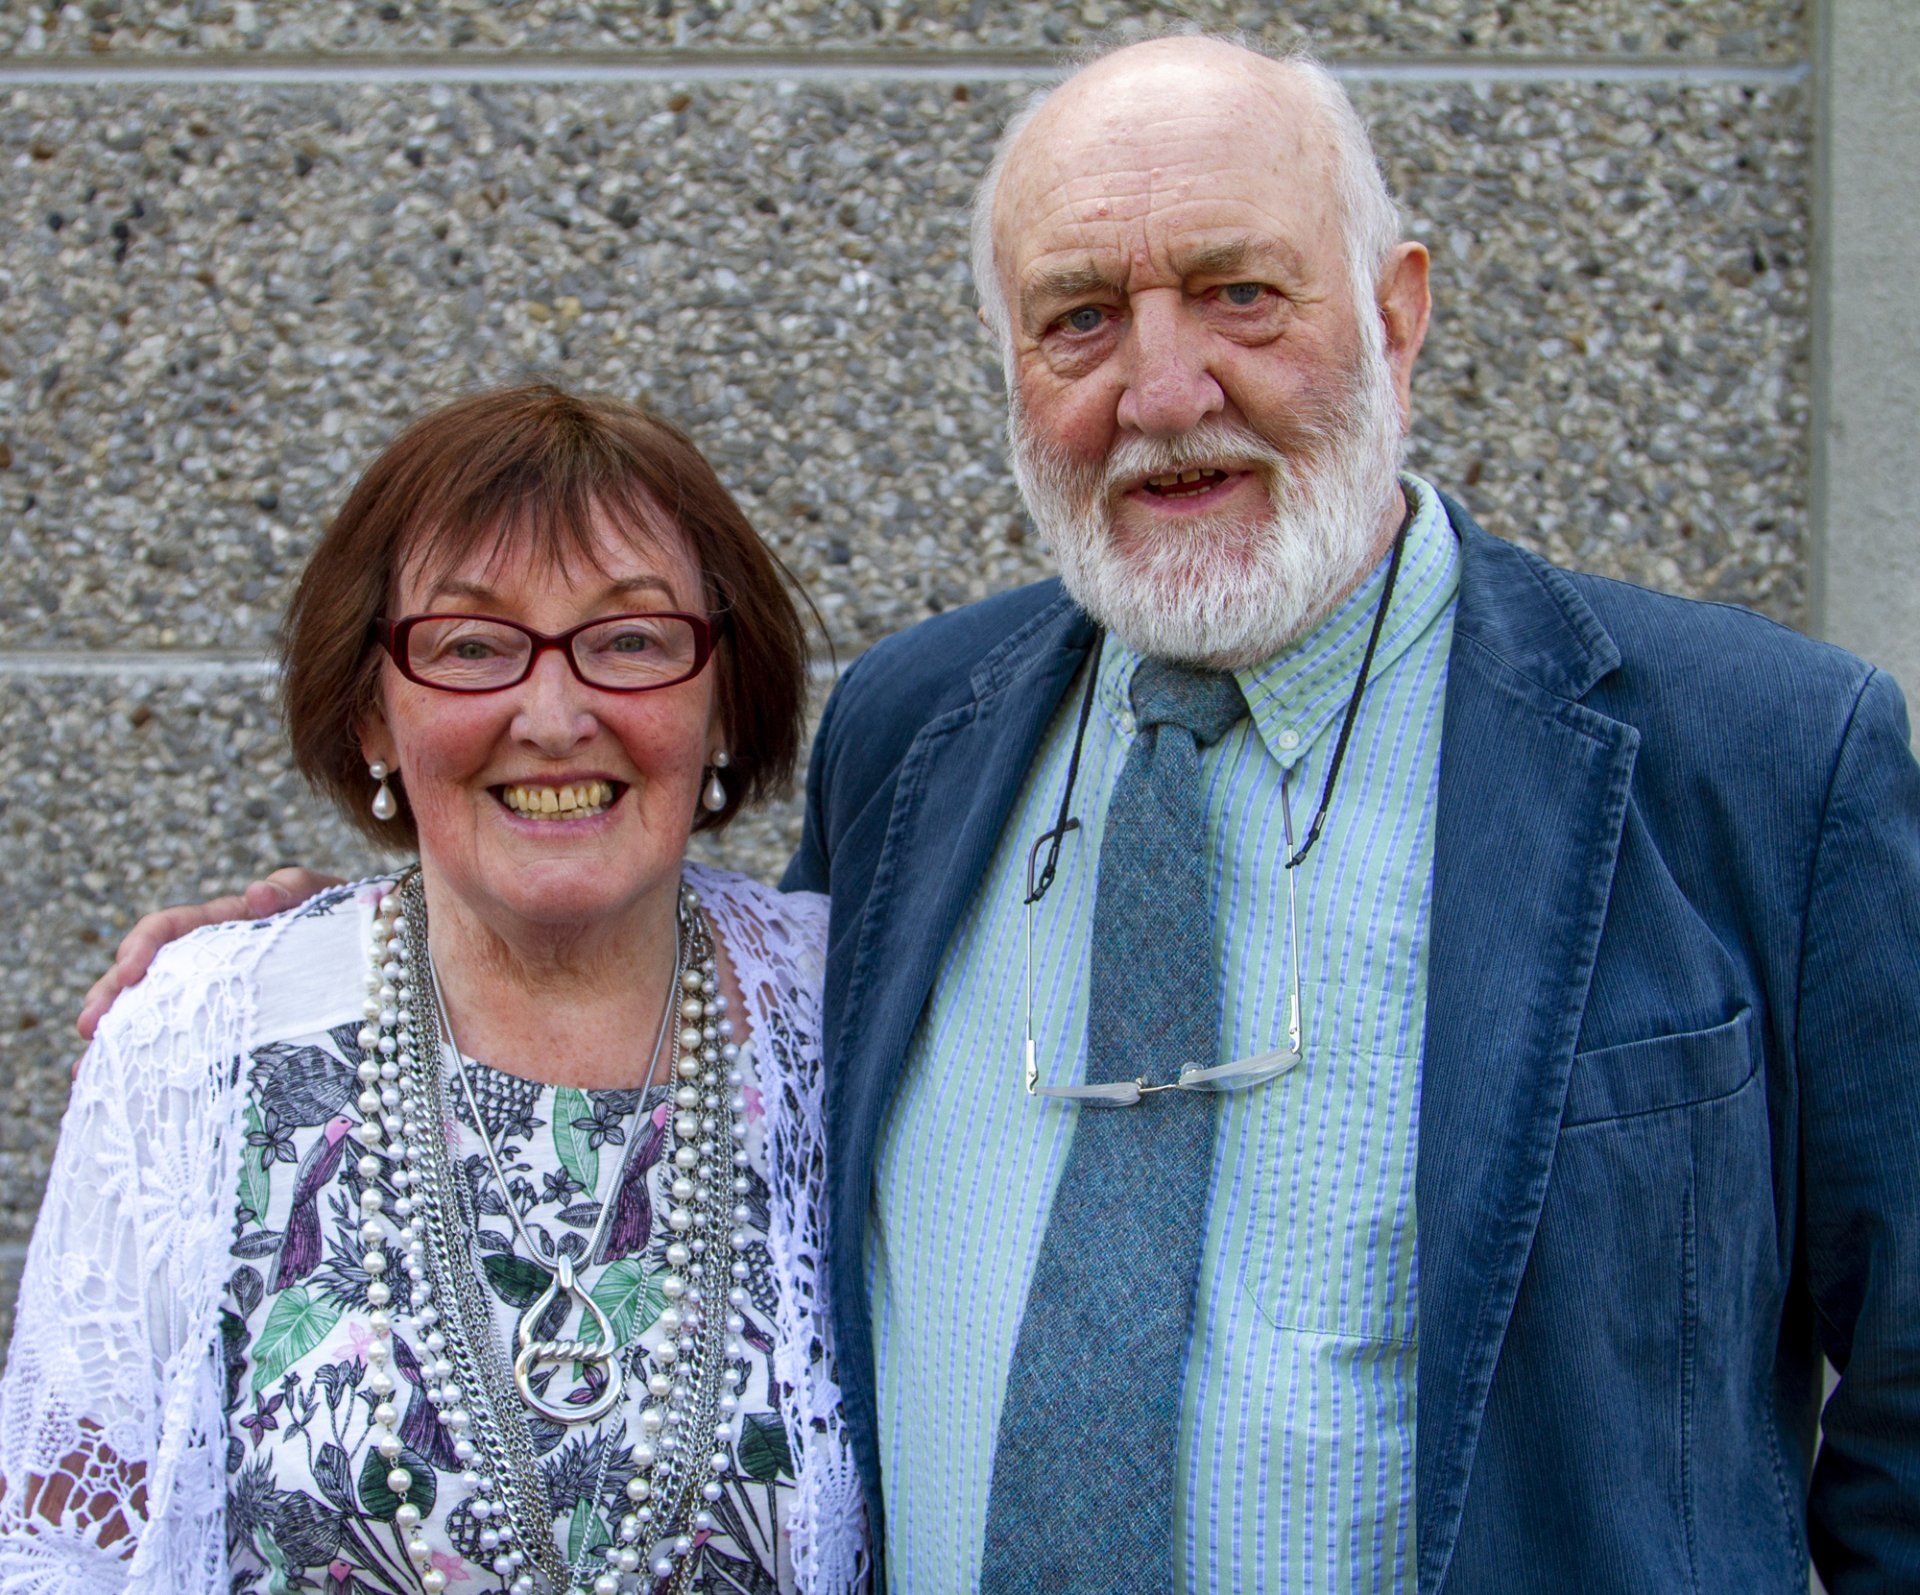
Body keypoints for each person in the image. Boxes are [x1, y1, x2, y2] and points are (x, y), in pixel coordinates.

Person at [77, 35, 1920, 1595]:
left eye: (1240, 292)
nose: (1165, 386)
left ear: (1399, 309)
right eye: (1082, 318)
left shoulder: (1756, 756)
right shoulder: (918, 740)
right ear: (1014, 370)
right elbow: (652, 1007)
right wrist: (316, 961)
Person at [6, 384, 866, 1593]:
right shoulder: (196, 1043)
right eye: (471, 646)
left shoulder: (865, 1011)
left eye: (631, 639)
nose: (557, 714)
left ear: (723, 696)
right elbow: (61, 1549)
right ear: (372, 712)